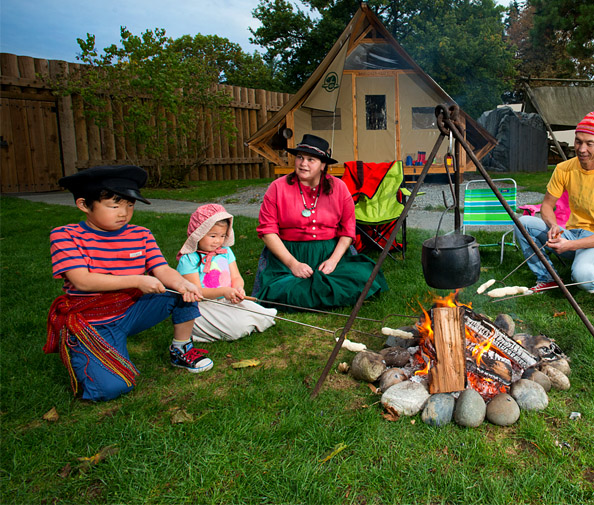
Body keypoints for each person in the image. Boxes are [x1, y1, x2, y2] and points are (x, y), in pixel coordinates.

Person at [46, 165, 213, 402]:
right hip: (94, 321)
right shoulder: (65, 236)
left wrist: (182, 283)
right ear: (84, 205)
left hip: (132, 311)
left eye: (130, 205)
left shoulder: (141, 234)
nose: (124, 213)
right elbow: (82, 281)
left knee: (180, 292)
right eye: (114, 206)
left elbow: (162, 269)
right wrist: (137, 280)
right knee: (111, 389)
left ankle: (181, 348)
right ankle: (85, 348)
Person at [254, 134, 387, 309]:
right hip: (290, 252)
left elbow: (348, 230)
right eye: (300, 157)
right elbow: (267, 231)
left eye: (311, 160)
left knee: (365, 276)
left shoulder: (339, 188)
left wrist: (333, 261)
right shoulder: (278, 187)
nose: (303, 163)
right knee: (278, 289)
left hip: (329, 252)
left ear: (323, 165)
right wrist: (293, 264)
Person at [514, 111, 594, 294]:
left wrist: (570, 246)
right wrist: (553, 226)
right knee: (523, 223)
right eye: (578, 141)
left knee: (584, 278)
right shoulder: (564, 168)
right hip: (571, 233)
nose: (581, 149)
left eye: (589, 143)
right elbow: (546, 206)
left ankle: (593, 275)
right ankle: (548, 278)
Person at [176, 204, 277, 342]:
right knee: (237, 327)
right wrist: (224, 291)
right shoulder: (188, 259)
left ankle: (241, 321)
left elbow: (236, 277)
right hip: (203, 304)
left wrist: (238, 288)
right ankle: (201, 329)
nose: (218, 241)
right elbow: (197, 292)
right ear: (198, 234)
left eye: (222, 236)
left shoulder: (225, 252)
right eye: (212, 236)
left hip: (225, 299)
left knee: (262, 314)